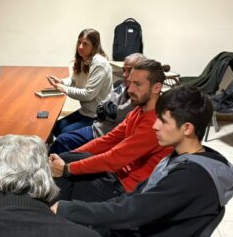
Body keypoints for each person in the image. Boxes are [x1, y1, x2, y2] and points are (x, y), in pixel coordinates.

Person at [53, 85, 233, 237]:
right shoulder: (182, 158)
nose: (155, 126)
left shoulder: (191, 178)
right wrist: (72, 212)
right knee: (67, 226)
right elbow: (134, 199)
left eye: (163, 121)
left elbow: (131, 211)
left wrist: (66, 209)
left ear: (187, 128)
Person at [49, 59, 173, 203]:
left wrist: (67, 168)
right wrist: (70, 157)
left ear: (156, 88)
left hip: (127, 188)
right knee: (63, 162)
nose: (130, 90)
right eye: (130, 83)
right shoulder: (138, 111)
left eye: (137, 84)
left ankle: (56, 211)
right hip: (117, 174)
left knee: (66, 179)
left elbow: (114, 158)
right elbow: (107, 140)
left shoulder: (156, 123)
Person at [50, 52, 146, 154]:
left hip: (103, 133)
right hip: (98, 124)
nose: (125, 75)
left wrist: (106, 109)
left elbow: (116, 114)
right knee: (57, 128)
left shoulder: (137, 95)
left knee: (62, 140)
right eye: (124, 70)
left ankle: (54, 161)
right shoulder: (122, 85)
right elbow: (102, 104)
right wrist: (107, 109)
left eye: (129, 70)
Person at [48, 28, 113, 136]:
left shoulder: (100, 64)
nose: (80, 47)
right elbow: (74, 80)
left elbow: (88, 95)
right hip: (86, 111)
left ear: (94, 46)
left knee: (64, 134)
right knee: (56, 127)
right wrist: (61, 82)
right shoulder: (83, 59)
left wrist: (64, 89)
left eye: (85, 44)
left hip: (98, 116)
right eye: (79, 42)